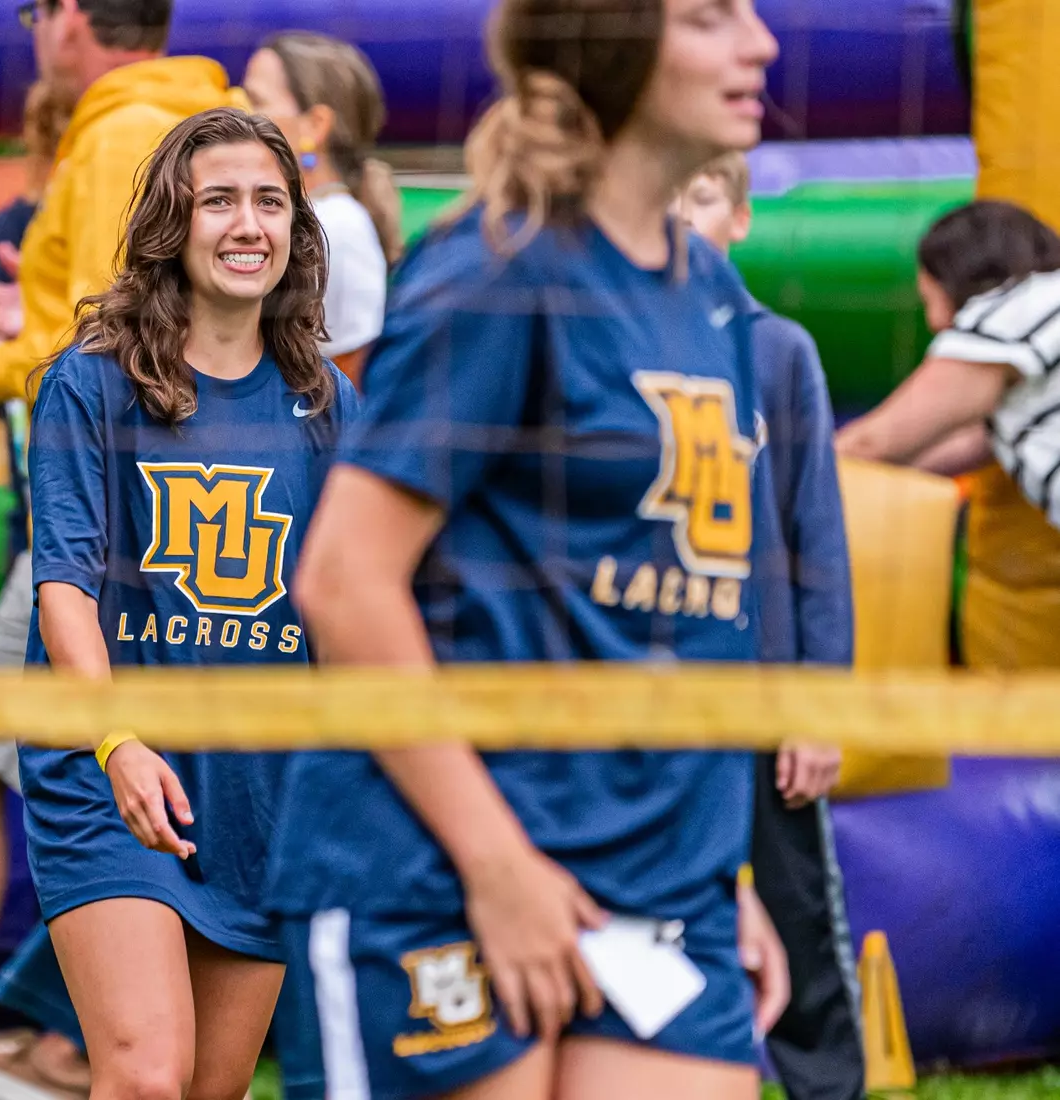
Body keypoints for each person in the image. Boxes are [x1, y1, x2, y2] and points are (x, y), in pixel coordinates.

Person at [267, 0, 795, 1097]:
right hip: (440, 863)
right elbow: (343, 581)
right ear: (610, 47)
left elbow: (682, 616)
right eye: (709, 19)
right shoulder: (503, 268)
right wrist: (496, 864)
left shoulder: (712, 297)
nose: (762, 44)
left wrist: (720, 866)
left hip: (660, 874)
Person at [0, 2, 244, 1095]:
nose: (33, 30)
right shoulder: (175, 113)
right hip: (145, 505)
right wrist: (11, 326)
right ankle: (33, 1038)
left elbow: (110, 331)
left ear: (74, 16)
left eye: (36, 10)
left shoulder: (124, 129)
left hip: (101, 515)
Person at [22, 106, 353, 1100]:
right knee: (145, 1075)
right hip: (112, 772)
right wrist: (115, 739)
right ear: (174, 222)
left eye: (269, 202)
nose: (247, 224)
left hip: (263, 795)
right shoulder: (89, 387)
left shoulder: (328, 401)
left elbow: (354, 609)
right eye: (219, 201)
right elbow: (62, 593)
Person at [679, 152, 862, 1100]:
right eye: (665, 196)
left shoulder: (778, 352)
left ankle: (825, 1084)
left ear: (741, 219)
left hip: (762, 702)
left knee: (794, 916)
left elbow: (816, 536)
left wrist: (816, 701)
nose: (681, 217)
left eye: (703, 197)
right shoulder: (606, 351)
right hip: (652, 710)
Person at [837, 201, 1060, 675]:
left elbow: (875, 444)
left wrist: (782, 474)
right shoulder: (1046, 322)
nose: (935, 322)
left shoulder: (1013, 314)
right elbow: (973, 445)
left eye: (928, 299)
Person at [242, 31, 402, 385]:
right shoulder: (315, 216)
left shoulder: (339, 227)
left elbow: (354, 378)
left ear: (315, 125)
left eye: (255, 101)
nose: (239, 114)